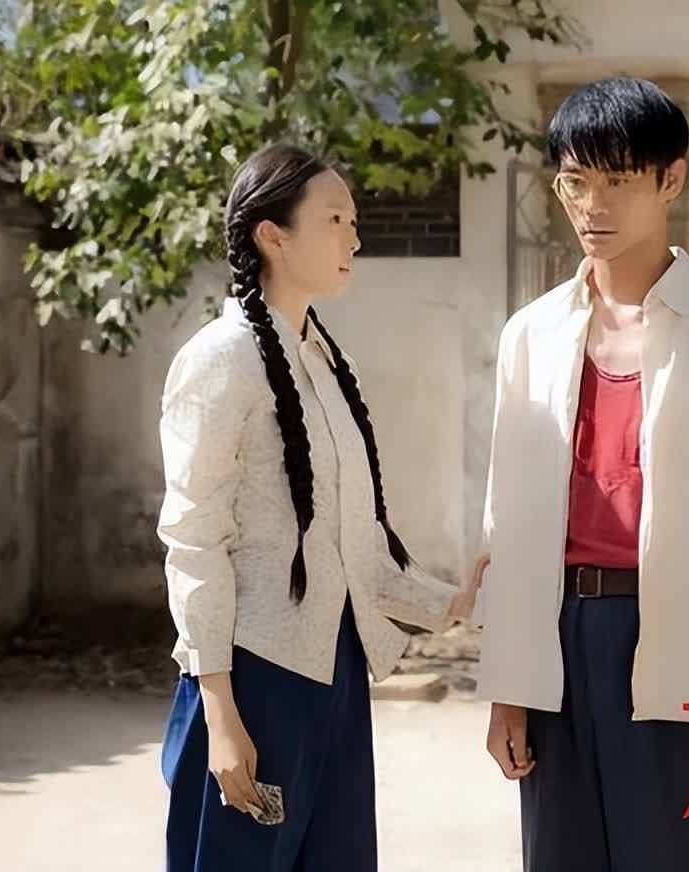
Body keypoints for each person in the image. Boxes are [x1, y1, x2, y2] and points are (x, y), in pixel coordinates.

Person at [468, 78, 689, 872]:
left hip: (685, 648)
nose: (594, 206)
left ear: (671, 180)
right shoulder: (531, 336)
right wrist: (508, 685)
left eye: (618, 180)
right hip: (557, 648)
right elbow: (507, 524)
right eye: (575, 182)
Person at [155, 145, 459, 872]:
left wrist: (452, 603)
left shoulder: (323, 359)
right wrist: (221, 712)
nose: (355, 236)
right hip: (253, 681)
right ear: (273, 236)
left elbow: (351, 543)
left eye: (354, 220)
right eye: (335, 220)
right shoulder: (218, 359)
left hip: (334, 675)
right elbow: (194, 541)